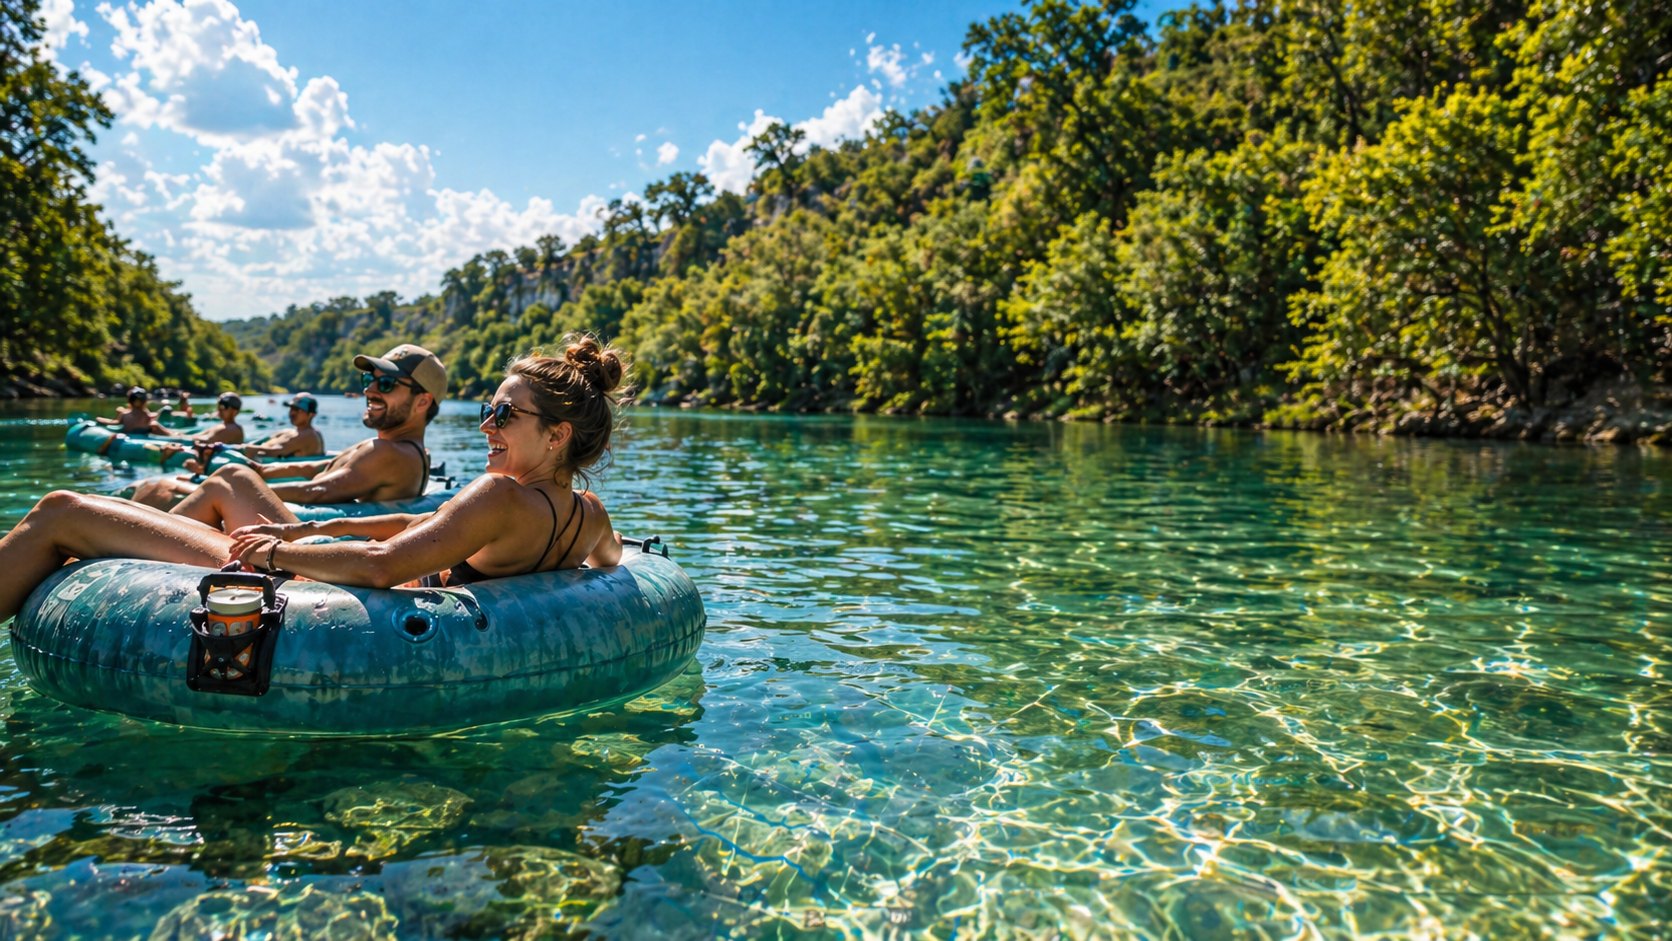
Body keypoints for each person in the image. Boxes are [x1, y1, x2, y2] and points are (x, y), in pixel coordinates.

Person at [0, 335, 626, 620]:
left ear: (556, 433)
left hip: (309, 587)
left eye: (502, 413)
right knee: (212, 494)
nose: (487, 423)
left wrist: (277, 550)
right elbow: (612, 562)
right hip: (323, 559)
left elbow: (384, 568)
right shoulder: (587, 514)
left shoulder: (500, 495)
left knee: (61, 509)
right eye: (488, 409)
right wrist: (316, 531)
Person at [129, 345, 444, 518]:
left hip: (300, 533)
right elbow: (312, 468)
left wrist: (225, 487)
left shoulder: (392, 453)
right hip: (297, 516)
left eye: (385, 384)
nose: (370, 391)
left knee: (178, 488)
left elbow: (316, 491)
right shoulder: (387, 446)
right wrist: (260, 470)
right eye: (368, 381)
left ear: (422, 402)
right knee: (191, 483)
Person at [96, 387, 171, 435]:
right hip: (143, 434)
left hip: (130, 435)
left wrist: (99, 419)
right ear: (145, 402)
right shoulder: (145, 414)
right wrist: (159, 413)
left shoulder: (124, 414)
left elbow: (114, 422)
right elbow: (152, 419)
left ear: (130, 401)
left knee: (153, 424)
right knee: (154, 424)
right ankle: (172, 435)